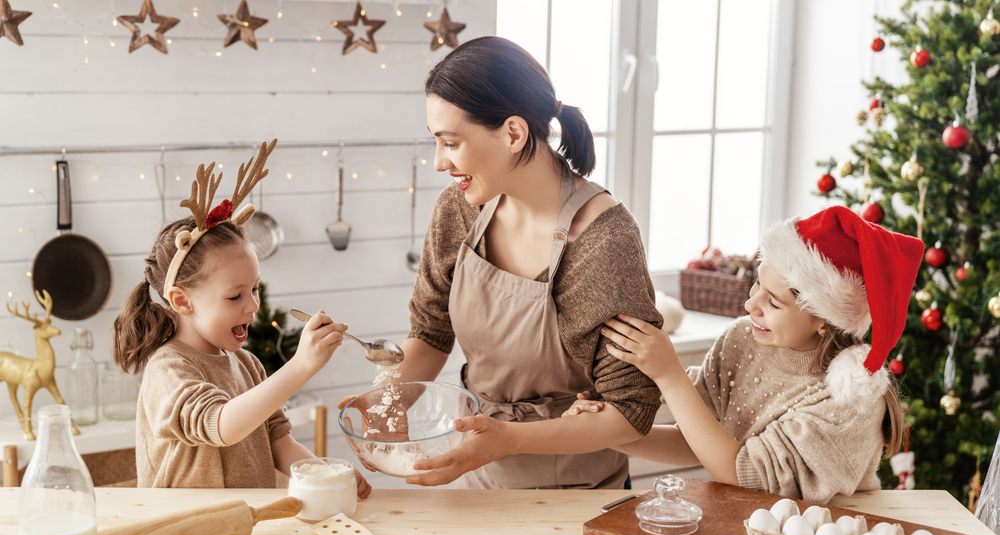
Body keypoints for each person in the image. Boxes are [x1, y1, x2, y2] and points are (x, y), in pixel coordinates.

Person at [340, 36, 664, 490]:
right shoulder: (460, 210)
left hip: (580, 495)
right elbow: (432, 333)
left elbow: (632, 412)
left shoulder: (602, 241)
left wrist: (508, 438)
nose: (438, 162)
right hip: (483, 477)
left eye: (451, 142)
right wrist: (384, 405)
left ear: (513, 133)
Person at [564, 206, 924, 502]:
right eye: (757, 284)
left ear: (825, 321)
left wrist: (669, 375)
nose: (751, 304)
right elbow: (700, 443)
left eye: (773, 301)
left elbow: (743, 475)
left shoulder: (847, 402)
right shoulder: (743, 339)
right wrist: (613, 431)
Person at [113, 145, 372, 495]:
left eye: (255, 289)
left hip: (247, 526)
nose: (253, 306)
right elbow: (220, 426)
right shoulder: (167, 369)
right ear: (181, 300)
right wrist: (301, 367)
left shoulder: (247, 365)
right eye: (235, 296)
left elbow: (278, 440)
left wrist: (325, 475)